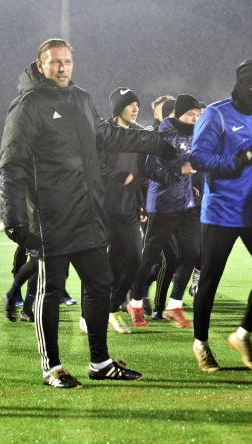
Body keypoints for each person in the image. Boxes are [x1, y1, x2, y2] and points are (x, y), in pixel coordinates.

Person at [0, 38, 176, 388]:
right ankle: (52, 367)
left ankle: (100, 362)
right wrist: (14, 216)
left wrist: (153, 142)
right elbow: (12, 164)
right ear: (40, 65)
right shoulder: (28, 105)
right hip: (50, 217)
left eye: (67, 61)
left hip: (88, 212)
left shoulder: (80, 98)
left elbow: (106, 135)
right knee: (51, 290)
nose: (62, 67)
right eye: (55, 62)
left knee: (100, 282)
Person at [189, 59, 252, 372]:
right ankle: (200, 344)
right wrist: (237, 161)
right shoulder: (215, 114)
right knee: (210, 280)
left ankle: (242, 335)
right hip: (221, 211)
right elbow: (198, 158)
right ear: (242, 86)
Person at [128, 93, 202, 329]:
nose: (195, 118)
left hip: (186, 204)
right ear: (178, 114)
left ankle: (174, 306)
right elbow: (150, 169)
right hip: (163, 204)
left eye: (197, 114)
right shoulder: (163, 135)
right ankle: (135, 303)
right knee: (150, 256)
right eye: (190, 114)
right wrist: (180, 170)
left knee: (192, 253)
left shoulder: (196, 134)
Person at [101, 86, 145, 334]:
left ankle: (111, 307)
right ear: (118, 108)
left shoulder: (138, 135)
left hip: (127, 209)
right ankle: (88, 314)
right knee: (99, 265)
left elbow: (140, 174)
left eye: (137, 105)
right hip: (103, 208)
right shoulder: (103, 133)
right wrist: (116, 176)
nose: (135, 109)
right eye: (130, 104)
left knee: (136, 260)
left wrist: (141, 202)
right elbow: (92, 166)